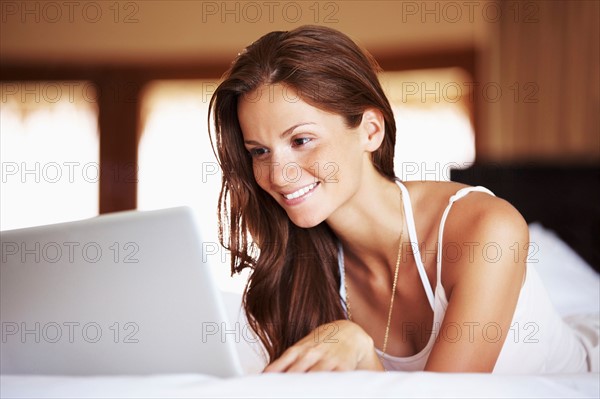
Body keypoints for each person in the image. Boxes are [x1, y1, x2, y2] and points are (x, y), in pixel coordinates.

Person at [208, 25, 590, 373]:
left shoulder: (487, 230)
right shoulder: (301, 269)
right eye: (259, 151)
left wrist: (357, 345)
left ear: (370, 131)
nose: (277, 174)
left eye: (301, 140)